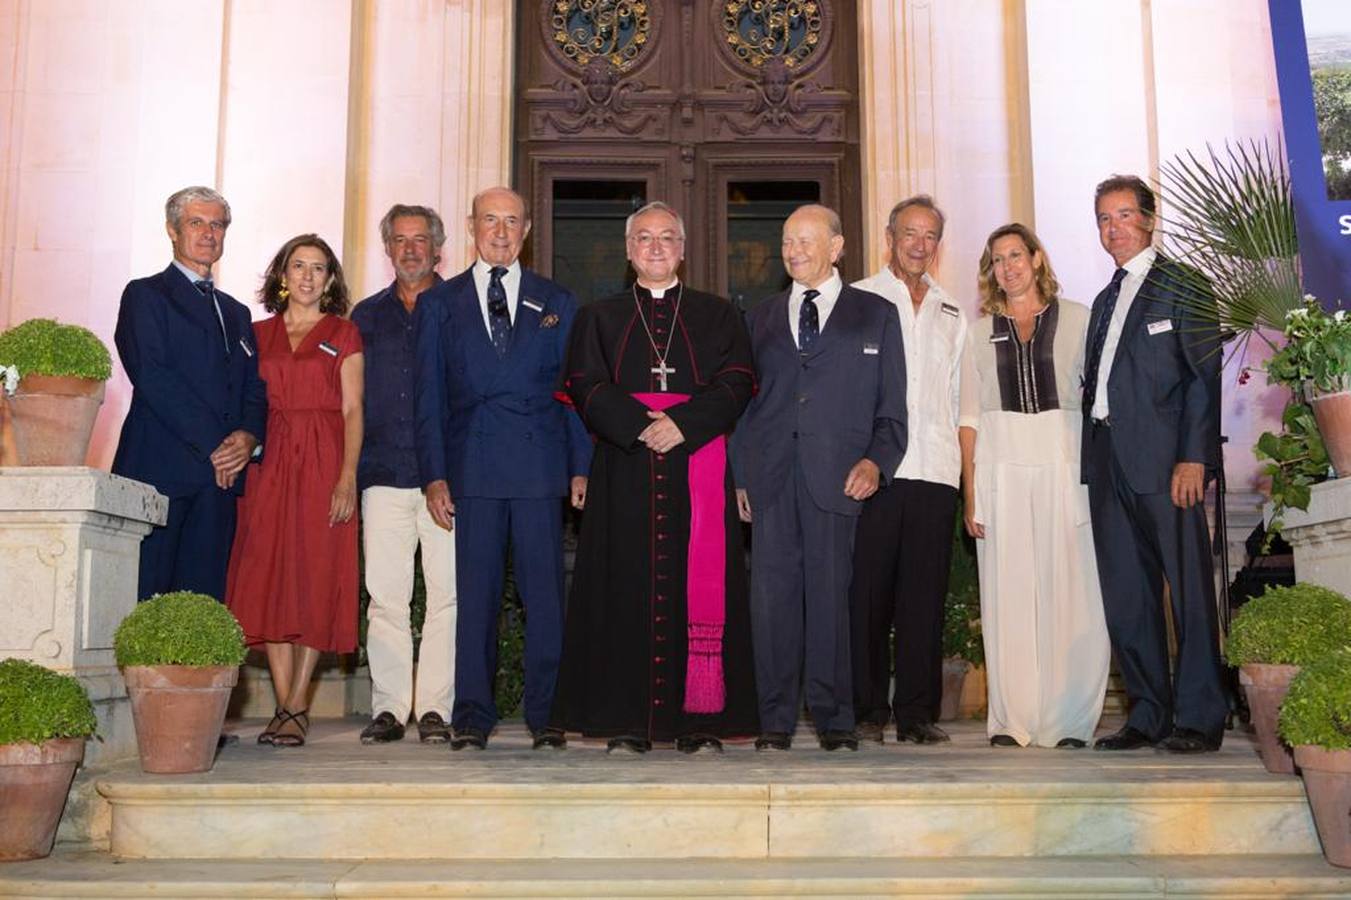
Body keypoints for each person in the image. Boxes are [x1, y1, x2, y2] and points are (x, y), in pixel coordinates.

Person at [549, 201, 760, 754]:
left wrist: (683, 424)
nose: (657, 247)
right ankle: (626, 720)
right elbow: (584, 383)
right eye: (644, 238)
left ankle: (699, 722)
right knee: (624, 587)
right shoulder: (599, 316)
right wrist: (643, 427)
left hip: (698, 468)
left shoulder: (719, 315)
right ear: (628, 250)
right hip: (626, 470)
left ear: (683, 249)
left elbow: (737, 380)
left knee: (700, 588)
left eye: (668, 237)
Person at [414, 186, 590, 751]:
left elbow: (574, 393)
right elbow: (429, 398)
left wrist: (580, 466)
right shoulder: (440, 304)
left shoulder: (557, 299)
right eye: (490, 220)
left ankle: (548, 713)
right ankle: (472, 714)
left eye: (511, 221)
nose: (500, 231)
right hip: (472, 468)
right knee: (477, 597)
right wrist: (434, 475)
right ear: (472, 226)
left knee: (545, 598)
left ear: (527, 229)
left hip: (540, 467)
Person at [733, 204, 907, 752]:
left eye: (807, 241)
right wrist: (742, 476)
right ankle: (775, 720)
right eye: (787, 241)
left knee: (832, 600)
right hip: (772, 480)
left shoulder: (875, 314)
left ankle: (835, 719)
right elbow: (744, 406)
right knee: (771, 601)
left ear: (837, 248)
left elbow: (894, 407)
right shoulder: (758, 317)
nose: (794, 251)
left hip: (838, 479)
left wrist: (877, 461)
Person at [1082, 175, 1226, 753]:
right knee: (1127, 593)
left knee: (1188, 591)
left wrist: (1194, 457)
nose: (1113, 229)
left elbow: (1202, 379)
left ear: (1147, 219)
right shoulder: (1104, 299)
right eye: (1103, 219)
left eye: (1122, 216)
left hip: (1169, 467)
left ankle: (1199, 716)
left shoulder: (1184, 286)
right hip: (1108, 461)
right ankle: (1147, 714)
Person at [958, 223, 1109, 749]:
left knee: (1073, 593)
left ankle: (1069, 720)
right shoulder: (979, 334)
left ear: (1038, 259)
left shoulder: (1080, 320)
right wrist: (971, 492)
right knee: (1008, 595)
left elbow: (1100, 405)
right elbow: (970, 418)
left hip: (1065, 463)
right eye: (998, 259)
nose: (1009, 267)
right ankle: (1012, 719)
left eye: (1016, 255)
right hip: (1001, 468)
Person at [226, 234, 364, 748]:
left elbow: (353, 409)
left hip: (325, 458)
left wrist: (348, 475)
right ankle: (287, 704)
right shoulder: (254, 333)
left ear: (330, 281)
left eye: (319, 268)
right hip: (268, 462)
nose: (308, 276)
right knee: (268, 573)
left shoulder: (344, 334)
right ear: (282, 275)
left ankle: (295, 705)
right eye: (299, 266)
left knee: (314, 572)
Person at [848, 195, 966, 745]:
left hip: (937, 470)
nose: (919, 245)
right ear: (890, 236)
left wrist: (967, 475)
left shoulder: (952, 311)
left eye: (930, 236)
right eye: (910, 234)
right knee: (867, 593)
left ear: (937, 245)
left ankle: (917, 713)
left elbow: (959, 395)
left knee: (924, 597)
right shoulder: (860, 300)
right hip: (876, 469)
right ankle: (867, 707)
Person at [112, 186, 267, 603]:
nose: (208, 233)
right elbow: (154, 376)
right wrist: (218, 444)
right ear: (172, 231)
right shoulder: (145, 295)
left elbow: (254, 385)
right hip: (160, 473)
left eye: (217, 224)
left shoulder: (236, 312)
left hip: (218, 482)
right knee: (146, 603)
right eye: (196, 222)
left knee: (201, 608)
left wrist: (249, 438)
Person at [351, 205, 457, 745]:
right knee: (386, 597)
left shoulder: (462, 308)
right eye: (400, 240)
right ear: (387, 249)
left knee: (446, 597)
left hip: (449, 479)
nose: (411, 249)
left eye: (421, 239)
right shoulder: (364, 318)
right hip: (384, 472)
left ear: (439, 247)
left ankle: (436, 708)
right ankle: (390, 707)